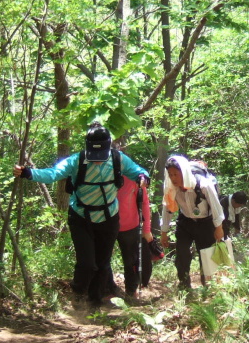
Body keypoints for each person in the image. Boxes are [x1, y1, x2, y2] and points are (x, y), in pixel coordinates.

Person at [14, 123, 148, 307]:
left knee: (102, 263)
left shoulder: (118, 159)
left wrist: (143, 178)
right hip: (81, 217)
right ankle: (78, 294)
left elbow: (138, 171)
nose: (98, 160)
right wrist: (28, 173)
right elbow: (53, 173)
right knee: (86, 263)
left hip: (109, 218)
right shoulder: (76, 161)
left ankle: (94, 302)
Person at [160, 155, 224, 291]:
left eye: (176, 174)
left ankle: (207, 286)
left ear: (183, 172)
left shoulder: (203, 184)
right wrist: (164, 232)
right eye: (170, 175)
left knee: (206, 256)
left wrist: (219, 228)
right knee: (182, 254)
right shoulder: (171, 188)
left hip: (206, 223)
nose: (173, 178)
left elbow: (216, 206)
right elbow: (168, 208)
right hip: (185, 222)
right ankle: (184, 285)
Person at [112, 173, 154, 302]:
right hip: (106, 225)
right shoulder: (103, 175)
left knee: (130, 262)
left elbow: (145, 204)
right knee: (102, 260)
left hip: (130, 226)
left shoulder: (134, 178)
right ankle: (107, 289)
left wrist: (146, 229)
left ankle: (131, 292)